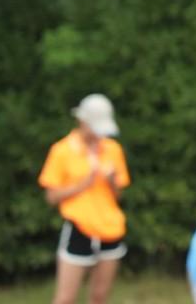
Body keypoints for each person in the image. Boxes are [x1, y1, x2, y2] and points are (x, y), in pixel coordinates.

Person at [39, 94, 131, 304]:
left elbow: (119, 195)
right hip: (78, 229)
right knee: (65, 298)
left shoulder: (113, 149)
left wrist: (110, 181)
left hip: (110, 229)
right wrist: (83, 184)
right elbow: (51, 197)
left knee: (99, 297)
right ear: (82, 121)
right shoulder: (62, 150)